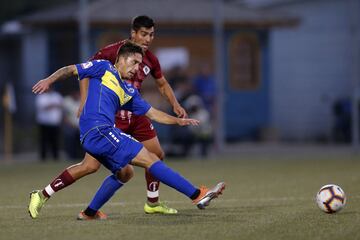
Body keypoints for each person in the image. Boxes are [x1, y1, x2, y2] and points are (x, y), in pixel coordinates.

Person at [28, 42, 225, 220]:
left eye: (139, 65)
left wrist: (178, 121)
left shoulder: (128, 92)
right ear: (120, 59)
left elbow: (153, 113)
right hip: (99, 130)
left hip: (95, 135)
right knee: (151, 159)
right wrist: (49, 80)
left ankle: (74, 207)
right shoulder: (103, 67)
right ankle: (197, 195)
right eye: (133, 62)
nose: (136, 68)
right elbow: (70, 70)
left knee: (124, 173)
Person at [35, 88, 63, 161]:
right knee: (44, 141)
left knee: (55, 140)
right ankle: (43, 157)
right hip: (44, 122)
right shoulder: (41, 96)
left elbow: (61, 105)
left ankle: (55, 157)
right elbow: (42, 107)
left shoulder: (57, 95)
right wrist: (53, 105)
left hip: (55, 122)